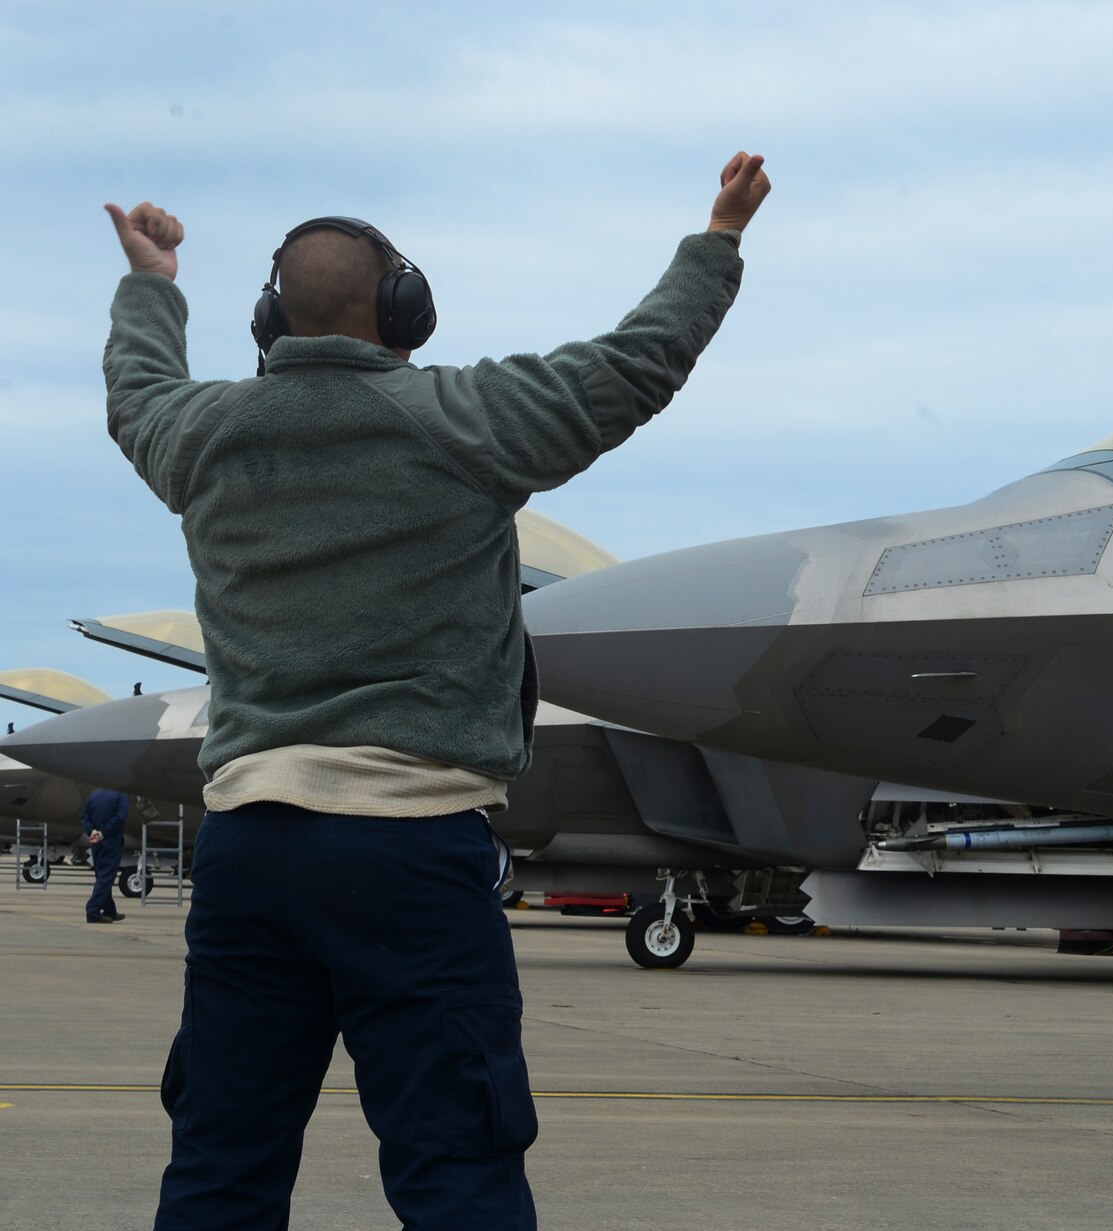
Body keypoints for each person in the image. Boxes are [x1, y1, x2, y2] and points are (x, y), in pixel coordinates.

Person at [102, 151, 772, 1231]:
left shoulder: (202, 435)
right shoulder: (467, 416)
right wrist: (717, 240)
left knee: (222, 1162)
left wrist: (152, 282)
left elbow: (136, 391)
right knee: (455, 1165)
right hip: (407, 847)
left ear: (273, 324)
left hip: (247, 850)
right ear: (405, 309)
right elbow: (637, 362)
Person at [81, 787, 130, 923]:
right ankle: (93, 911)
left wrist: (92, 831)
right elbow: (120, 817)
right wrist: (104, 833)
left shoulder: (94, 794)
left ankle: (110, 911)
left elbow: (85, 817)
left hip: (96, 841)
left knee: (101, 876)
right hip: (111, 841)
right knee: (106, 877)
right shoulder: (121, 795)